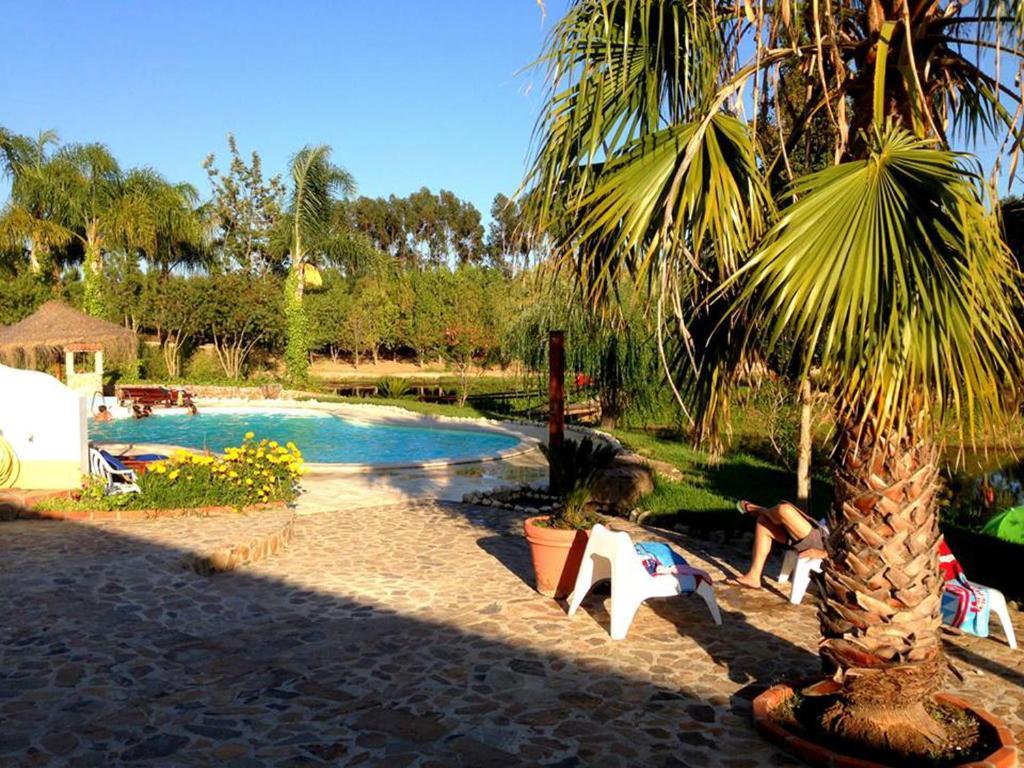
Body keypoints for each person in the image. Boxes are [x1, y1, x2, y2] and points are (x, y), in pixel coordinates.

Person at [728, 500, 827, 591]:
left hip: (822, 542)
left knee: (784, 510)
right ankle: (753, 577)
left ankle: (759, 509)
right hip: (819, 530)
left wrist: (823, 553)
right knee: (763, 523)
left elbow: (842, 551)